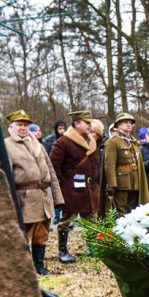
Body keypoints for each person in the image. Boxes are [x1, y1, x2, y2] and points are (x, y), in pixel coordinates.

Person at [3, 109, 64, 276]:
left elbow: (50, 171)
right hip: (25, 198)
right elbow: (6, 176)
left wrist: (58, 198)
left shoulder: (38, 144)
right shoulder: (6, 145)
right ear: (11, 127)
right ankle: (22, 268)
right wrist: (11, 202)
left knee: (42, 233)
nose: (23, 128)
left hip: (44, 195)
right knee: (24, 234)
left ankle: (39, 266)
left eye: (26, 125)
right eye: (19, 125)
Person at [50, 110, 100, 265]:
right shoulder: (63, 142)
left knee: (92, 220)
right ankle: (63, 251)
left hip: (88, 189)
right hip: (71, 190)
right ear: (77, 123)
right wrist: (64, 184)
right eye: (86, 123)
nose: (90, 126)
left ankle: (93, 248)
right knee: (66, 220)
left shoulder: (91, 141)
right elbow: (54, 166)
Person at [102, 112, 149, 216]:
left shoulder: (133, 142)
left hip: (135, 182)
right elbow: (110, 165)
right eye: (125, 122)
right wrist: (112, 184)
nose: (129, 125)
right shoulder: (113, 142)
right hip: (121, 183)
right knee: (121, 212)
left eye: (130, 123)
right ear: (118, 125)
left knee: (132, 212)